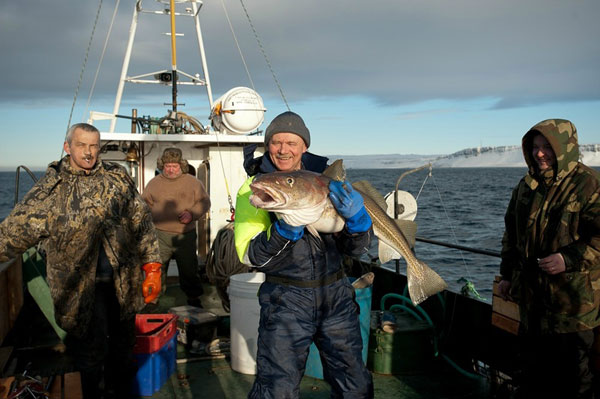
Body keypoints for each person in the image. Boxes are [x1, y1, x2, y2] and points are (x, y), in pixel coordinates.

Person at [0, 123, 162, 399]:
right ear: (68, 147)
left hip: (123, 283)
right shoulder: (51, 189)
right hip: (79, 291)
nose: (88, 152)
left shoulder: (117, 178)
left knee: (123, 350)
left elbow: (141, 222)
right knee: (90, 356)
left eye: (94, 146)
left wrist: (153, 266)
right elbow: (14, 232)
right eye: (81, 145)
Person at [234, 111, 374, 398]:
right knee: (277, 387)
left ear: (304, 147)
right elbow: (250, 256)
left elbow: (356, 249)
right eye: (276, 142)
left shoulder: (324, 183)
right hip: (285, 301)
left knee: (354, 383)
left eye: (291, 142)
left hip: (336, 296)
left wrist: (359, 225)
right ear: (267, 145)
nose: (283, 149)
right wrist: (283, 231)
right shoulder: (254, 190)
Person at [498, 119, 600, 399]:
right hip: (532, 306)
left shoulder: (588, 184)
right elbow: (511, 234)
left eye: (548, 147)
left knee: (574, 383)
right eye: (535, 147)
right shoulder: (526, 186)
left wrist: (568, 259)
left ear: (565, 148)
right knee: (533, 379)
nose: (540, 153)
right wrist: (507, 274)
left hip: (573, 308)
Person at [142, 148, 211, 307]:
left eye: (174, 165)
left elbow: (204, 202)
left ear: (181, 165)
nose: (171, 169)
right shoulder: (154, 183)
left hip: (185, 235)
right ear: (162, 165)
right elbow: (144, 204)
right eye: (167, 166)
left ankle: (194, 299)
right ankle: (153, 301)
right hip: (159, 235)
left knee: (189, 270)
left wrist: (192, 214)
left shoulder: (193, 182)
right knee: (156, 270)